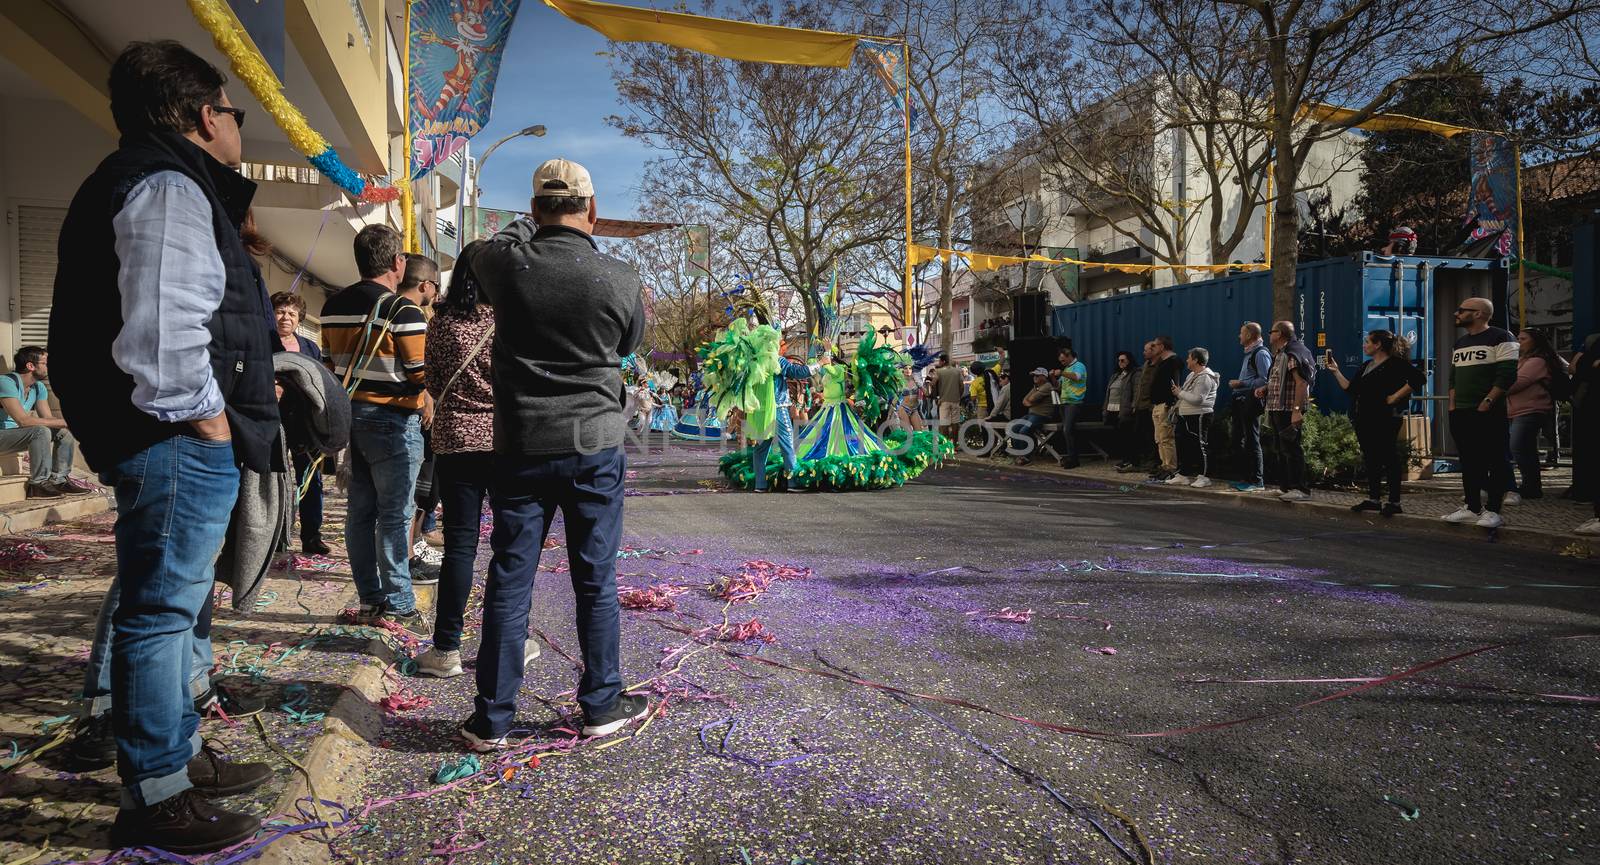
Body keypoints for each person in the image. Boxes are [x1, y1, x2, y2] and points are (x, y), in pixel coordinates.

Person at [48, 40, 278, 852]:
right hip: (174, 435)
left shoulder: (159, 179)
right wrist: (209, 421)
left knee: (175, 613)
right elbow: (165, 333)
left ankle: (175, 756)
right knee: (160, 613)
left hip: (170, 434)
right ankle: (158, 792)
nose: (236, 126)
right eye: (233, 111)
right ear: (203, 115)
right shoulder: (169, 184)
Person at [462, 157, 649, 749]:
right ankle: (601, 704)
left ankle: (492, 716)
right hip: (594, 443)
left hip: (521, 444)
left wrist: (525, 230)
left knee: (511, 576)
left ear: (535, 210)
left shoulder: (508, 265)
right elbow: (629, 343)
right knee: (595, 577)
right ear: (592, 210)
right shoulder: (621, 278)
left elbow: (480, 250)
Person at [321, 224, 430, 631]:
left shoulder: (333, 305)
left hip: (351, 419)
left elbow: (330, 366)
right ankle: (400, 602)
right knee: (395, 515)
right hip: (393, 421)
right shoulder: (404, 311)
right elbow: (421, 373)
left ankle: (369, 599)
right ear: (397, 263)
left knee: (360, 514)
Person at [1325, 330, 1425, 516]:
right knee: (1371, 458)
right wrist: (1336, 371)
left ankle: (1394, 502)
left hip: (1386, 418)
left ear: (1378, 344)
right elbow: (1351, 389)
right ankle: (1374, 499)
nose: (1364, 345)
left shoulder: (1395, 364)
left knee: (1389, 457)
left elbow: (1419, 378)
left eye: (1367, 342)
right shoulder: (1366, 366)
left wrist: (1395, 396)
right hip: (1365, 418)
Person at [1440, 298, 1517, 529]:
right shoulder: (1461, 342)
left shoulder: (1502, 337)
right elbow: (1453, 376)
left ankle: (1493, 510)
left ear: (1478, 314)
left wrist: (1488, 400)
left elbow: (1507, 374)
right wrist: (1452, 404)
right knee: (1469, 460)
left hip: (1488, 411)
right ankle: (1472, 507)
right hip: (1461, 411)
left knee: (1496, 459)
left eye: (1462, 310)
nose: (1457, 313)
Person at [395, 254, 444, 578]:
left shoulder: (388, 309)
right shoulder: (408, 314)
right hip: (405, 417)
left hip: (393, 416)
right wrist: (427, 401)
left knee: (414, 495)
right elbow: (418, 373)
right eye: (436, 288)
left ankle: (407, 553)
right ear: (425, 285)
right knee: (411, 495)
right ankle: (405, 560)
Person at [270, 294, 330, 554]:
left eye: (292, 314)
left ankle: (311, 536)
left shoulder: (309, 347)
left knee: (310, 479)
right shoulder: (264, 342)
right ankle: (276, 536)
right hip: (272, 421)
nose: (286, 318)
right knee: (275, 479)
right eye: (281, 312)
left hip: (304, 423)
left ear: (299, 319)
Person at [0, 346, 85, 498]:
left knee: (63, 432)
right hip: (3, 436)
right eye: (46, 363)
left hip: (16, 436)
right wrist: (65, 421)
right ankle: (38, 484)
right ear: (30, 366)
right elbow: (23, 421)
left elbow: (49, 418)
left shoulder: (38, 388)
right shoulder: (6, 382)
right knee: (40, 431)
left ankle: (59, 480)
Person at [1258, 321, 1315, 502]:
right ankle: (1286, 487)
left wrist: (1296, 411)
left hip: (1288, 409)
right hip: (1276, 407)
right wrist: (1265, 388)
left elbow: (1302, 382)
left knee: (1292, 449)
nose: (1269, 334)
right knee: (1281, 449)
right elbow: (1279, 378)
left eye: (1271, 331)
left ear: (1280, 333)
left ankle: (1301, 489)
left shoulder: (1293, 353)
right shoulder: (1281, 353)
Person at [1506, 328, 1561, 500]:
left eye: (1523, 338)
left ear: (1535, 341)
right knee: (1525, 448)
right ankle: (1531, 486)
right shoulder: (1521, 359)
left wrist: (1496, 387)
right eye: (1518, 338)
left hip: (1531, 409)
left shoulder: (1537, 361)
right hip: (1517, 409)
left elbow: (1517, 383)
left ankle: (1531, 486)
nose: (1518, 341)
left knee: (1519, 447)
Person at [750, 347, 815, 492]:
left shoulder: (753, 359)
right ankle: (793, 482)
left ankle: (760, 485)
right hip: (778, 408)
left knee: (760, 449)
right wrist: (820, 363)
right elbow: (797, 372)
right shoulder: (776, 360)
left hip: (759, 410)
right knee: (787, 445)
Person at [1228, 322, 1273, 492]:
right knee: (1238, 441)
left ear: (1249, 335)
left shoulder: (1260, 353)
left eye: (1241, 333)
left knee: (1252, 440)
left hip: (1251, 403)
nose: (1239, 336)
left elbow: (1265, 380)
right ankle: (1245, 478)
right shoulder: (1248, 353)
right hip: (1240, 401)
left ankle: (1257, 481)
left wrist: (1241, 383)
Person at [1169, 347, 1219, 487]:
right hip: (1186, 416)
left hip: (1200, 415)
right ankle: (1183, 475)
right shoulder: (1192, 375)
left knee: (1200, 445)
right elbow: (1186, 394)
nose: (1187, 360)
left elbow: (1198, 399)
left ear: (1196, 360)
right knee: (1183, 445)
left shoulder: (1205, 377)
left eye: (1189, 358)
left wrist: (1179, 393)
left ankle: (1204, 477)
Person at [1570, 334, 1599, 534]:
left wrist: (1588, 366)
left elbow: (1583, 367)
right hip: (1590, 406)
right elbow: (1576, 368)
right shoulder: (1594, 340)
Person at [1119, 341, 1158, 473]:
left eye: (1146, 350)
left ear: (1154, 350)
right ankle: (1138, 462)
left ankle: (1152, 462)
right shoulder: (1146, 365)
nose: (1143, 352)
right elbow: (1141, 388)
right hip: (1140, 406)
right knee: (1139, 435)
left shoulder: (1158, 366)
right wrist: (1135, 404)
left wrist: (1152, 405)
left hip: (1149, 407)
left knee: (1151, 436)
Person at [1148, 336, 1182, 481]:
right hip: (1157, 404)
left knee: (1166, 438)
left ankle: (1170, 468)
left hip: (1165, 405)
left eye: (1154, 346)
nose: (1152, 349)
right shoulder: (1162, 363)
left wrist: (1170, 403)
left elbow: (1174, 384)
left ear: (1162, 346)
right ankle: (1164, 465)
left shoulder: (1173, 362)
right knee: (1159, 438)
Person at [1051, 347, 1087, 469]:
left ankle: (1073, 459)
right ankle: (1072, 456)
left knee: (1067, 430)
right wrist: (1053, 377)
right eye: (1060, 361)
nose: (1062, 363)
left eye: (1063, 360)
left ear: (1069, 355)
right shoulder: (1066, 369)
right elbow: (1058, 386)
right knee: (1068, 431)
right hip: (1065, 403)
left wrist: (1061, 372)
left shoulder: (1079, 365)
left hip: (1074, 403)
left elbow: (1077, 377)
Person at [1012, 367, 1056, 464]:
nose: (1034, 377)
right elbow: (1024, 400)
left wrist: (1031, 402)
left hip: (1042, 416)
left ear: (1044, 377)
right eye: (1034, 375)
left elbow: (1030, 399)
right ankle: (1019, 455)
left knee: (1023, 431)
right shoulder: (1036, 387)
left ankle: (1025, 457)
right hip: (1031, 414)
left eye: (1037, 375)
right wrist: (1031, 402)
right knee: (1014, 428)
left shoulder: (1047, 386)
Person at [1102, 351, 1136, 462]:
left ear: (1129, 361)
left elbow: (1135, 391)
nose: (1120, 363)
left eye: (1123, 360)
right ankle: (1121, 458)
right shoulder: (1115, 375)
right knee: (1117, 435)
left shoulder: (1133, 374)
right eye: (1118, 361)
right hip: (1112, 409)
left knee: (1126, 436)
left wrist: (1133, 406)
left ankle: (1129, 459)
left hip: (1123, 409)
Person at [933, 353, 964, 439]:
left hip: (943, 401)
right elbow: (962, 386)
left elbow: (933, 384)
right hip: (955, 400)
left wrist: (936, 397)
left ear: (943, 361)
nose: (939, 363)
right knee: (955, 423)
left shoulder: (938, 371)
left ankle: (946, 443)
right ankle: (955, 444)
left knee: (944, 423)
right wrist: (959, 396)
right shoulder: (957, 371)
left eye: (939, 361)